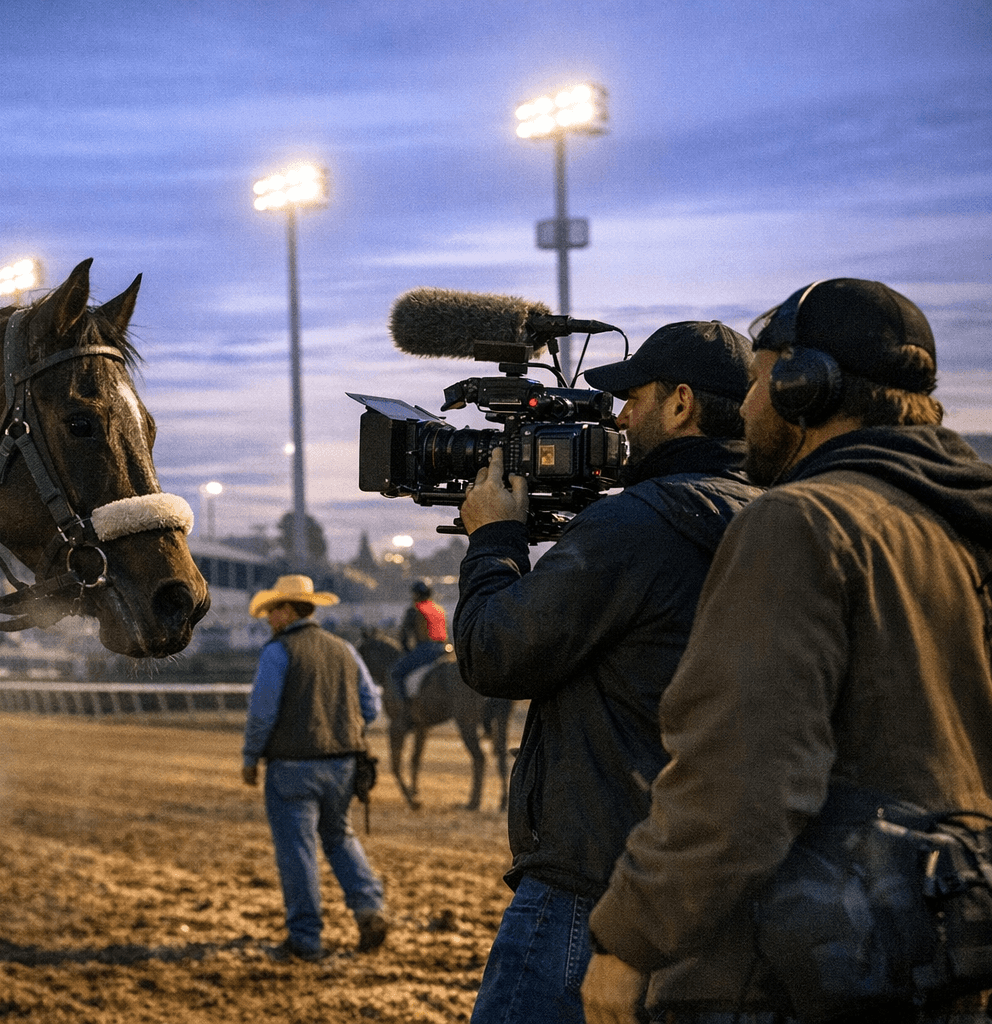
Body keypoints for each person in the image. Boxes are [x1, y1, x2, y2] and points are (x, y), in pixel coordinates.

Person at [581, 280, 992, 1023]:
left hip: (800, 966)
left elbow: (743, 772)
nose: (746, 406)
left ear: (806, 387)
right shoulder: (958, 529)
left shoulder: (801, 523)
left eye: (760, 378)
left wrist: (631, 940)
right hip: (946, 946)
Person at [453, 321, 762, 1024]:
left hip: (592, 889)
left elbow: (492, 652)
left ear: (681, 403)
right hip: (714, 887)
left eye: (634, 398)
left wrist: (496, 540)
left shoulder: (637, 525)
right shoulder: (775, 517)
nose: (619, 417)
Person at [241, 573, 389, 961]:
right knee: (340, 836)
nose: (269, 617)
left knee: (297, 849)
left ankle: (305, 939)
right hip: (342, 765)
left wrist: (250, 757)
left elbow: (262, 715)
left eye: (273, 609)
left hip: (292, 768)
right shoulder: (344, 649)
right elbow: (370, 707)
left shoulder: (277, 651)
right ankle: (369, 908)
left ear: (289, 610)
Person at [388, 579, 448, 702]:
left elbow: (404, 636)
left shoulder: (414, 610)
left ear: (416, 595)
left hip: (425, 649)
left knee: (396, 673)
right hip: (444, 649)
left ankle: (405, 708)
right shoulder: (439, 609)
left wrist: (407, 651)